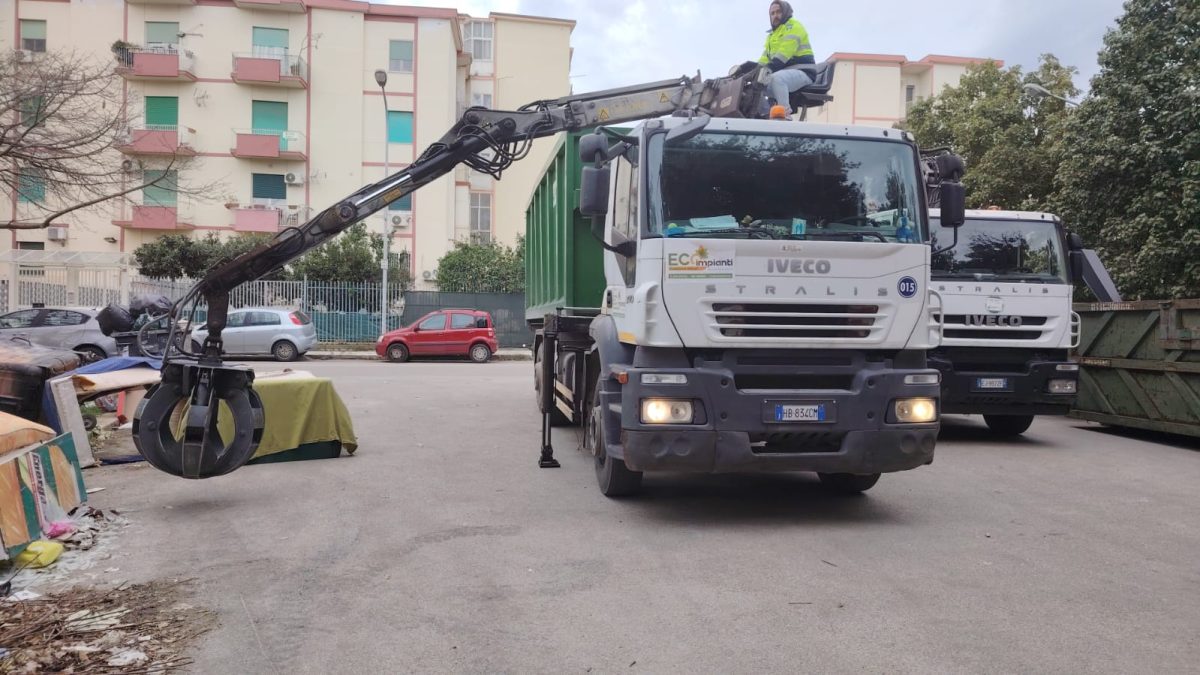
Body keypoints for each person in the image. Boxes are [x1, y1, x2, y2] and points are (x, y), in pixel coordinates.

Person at [757, 1, 816, 117]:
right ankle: (765, 115)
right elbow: (763, 60)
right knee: (755, 87)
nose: (775, 16)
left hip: (804, 72)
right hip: (785, 73)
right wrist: (750, 73)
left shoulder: (794, 27)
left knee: (775, 78)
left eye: (778, 12)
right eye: (772, 13)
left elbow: (782, 56)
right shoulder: (771, 36)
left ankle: (785, 115)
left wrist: (767, 70)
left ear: (786, 12)